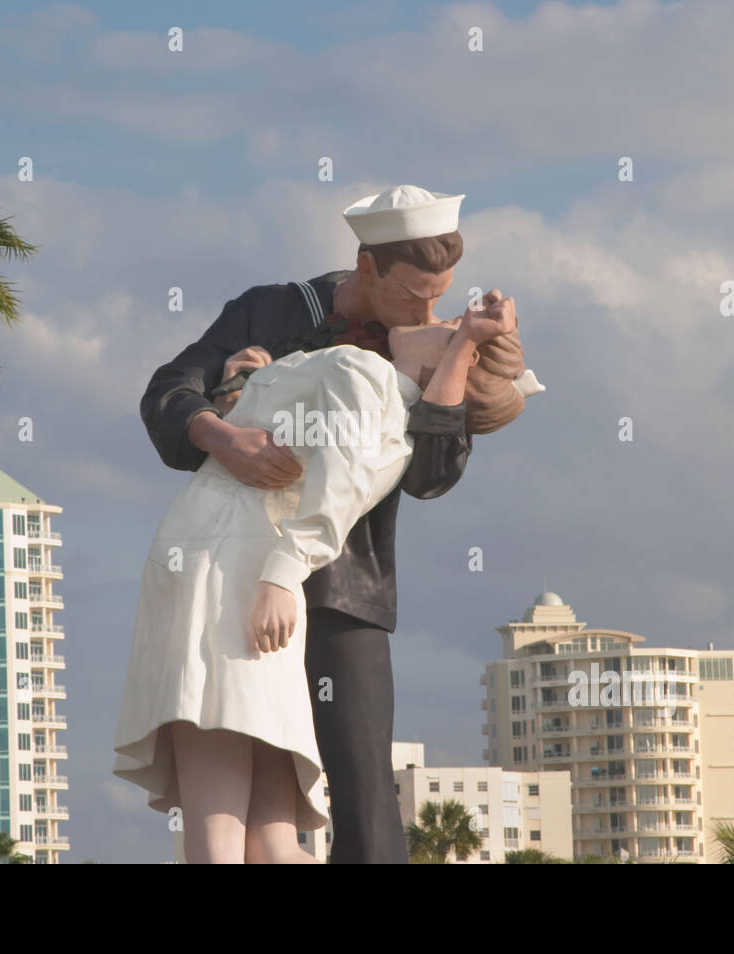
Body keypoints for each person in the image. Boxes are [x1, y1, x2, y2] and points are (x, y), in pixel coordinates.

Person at [138, 184, 533, 862]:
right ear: (367, 266)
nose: (427, 310)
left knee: (358, 780)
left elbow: (428, 475)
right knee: (254, 785)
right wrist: (224, 435)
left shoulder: (428, 347)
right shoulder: (271, 310)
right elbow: (170, 392)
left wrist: (461, 357)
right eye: (413, 295)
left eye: (440, 296)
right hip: (237, 570)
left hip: (345, 590)